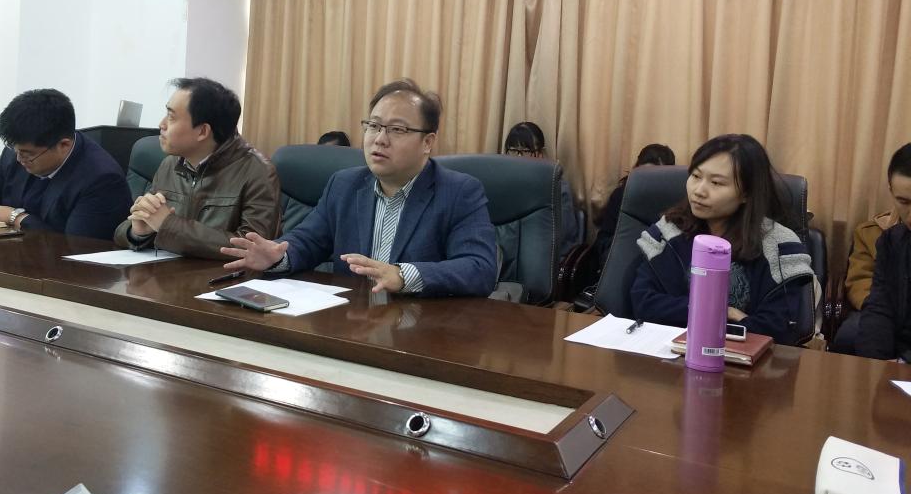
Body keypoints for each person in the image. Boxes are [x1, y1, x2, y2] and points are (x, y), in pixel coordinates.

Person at [221, 79, 497, 296]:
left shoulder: (459, 192)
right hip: (350, 321)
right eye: (374, 126)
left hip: (419, 327)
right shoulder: (344, 184)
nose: (380, 139)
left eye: (397, 129)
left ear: (428, 142)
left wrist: (403, 276)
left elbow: (480, 268)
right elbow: (309, 241)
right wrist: (277, 256)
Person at [630, 134, 814, 345]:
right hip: (667, 350)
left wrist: (685, 313)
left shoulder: (779, 245)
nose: (699, 191)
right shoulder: (669, 230)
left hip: (745, 358)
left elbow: (777, 329)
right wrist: (723, 312)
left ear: (746, 193)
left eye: (716, 182)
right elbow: (643, 303)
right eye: (696, 176)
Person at [0, 89, 131, 240]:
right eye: (15, 150)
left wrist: (16, 217)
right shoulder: (16, 153)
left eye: (27, 154)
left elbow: (75, 244)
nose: (19, 159)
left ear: (63, 145)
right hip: (13, 262)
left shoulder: (101, 178)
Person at [114, 78, 280, 259]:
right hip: (168, 271)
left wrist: (168, 225)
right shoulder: (170, 164)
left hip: (220, 276)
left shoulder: (257, 171)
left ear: (202, 131)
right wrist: (138, 232)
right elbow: (126, 230)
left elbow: (254, 250)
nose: (161, 124)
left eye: (171, 117)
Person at [855, 143, 911, 361]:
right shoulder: (891, 241)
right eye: (903, 202)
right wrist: (874, 367)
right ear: (891, 191)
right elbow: (880, 308)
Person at [502, 121, 580, 258]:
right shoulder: (503, 185)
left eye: (526, 151)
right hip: (507, 254)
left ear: (540, 153)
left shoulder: (557, 188)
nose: (518, 157)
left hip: (546, 256)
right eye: (513, 151)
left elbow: (559, 235)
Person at [595, 143, 676, 264]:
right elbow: (603, 241)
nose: (650, 181)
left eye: (656, 176)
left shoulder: (676, 200)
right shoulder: (622, 194)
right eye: (645, 175)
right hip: (622, 257)